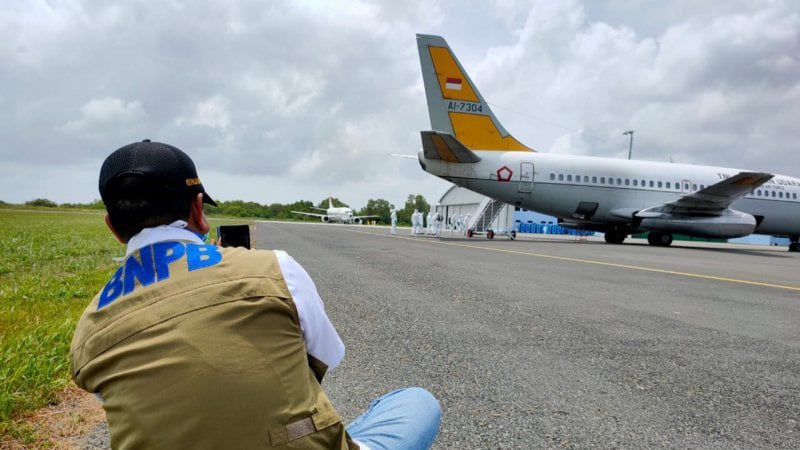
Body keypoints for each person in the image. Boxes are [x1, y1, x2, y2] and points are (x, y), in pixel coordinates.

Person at [69, 140, 440, 450]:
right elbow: (326, 357)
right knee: (416, 402)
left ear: (113, 228)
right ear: (198, 210)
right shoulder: (274, 267)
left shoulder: (88, 329)